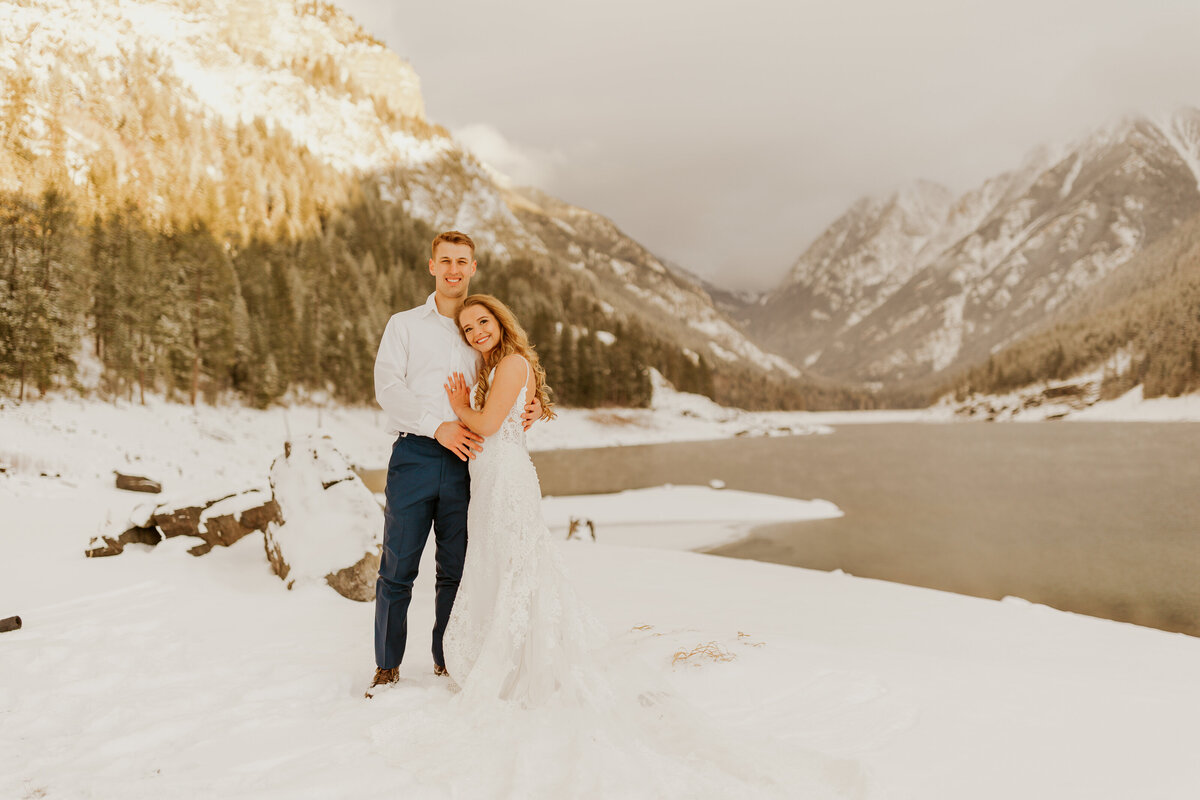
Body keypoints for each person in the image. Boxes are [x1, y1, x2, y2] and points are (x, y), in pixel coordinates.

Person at [368, 232, 539, 698]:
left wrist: (536, 403)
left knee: (457, 569)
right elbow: (389, 389)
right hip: (416, 455)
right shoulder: (404, 325)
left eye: (462, 261)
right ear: (431, 266)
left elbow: (514, 373)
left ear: (474, 267)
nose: (453, 270)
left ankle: (449, 660)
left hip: (473, 463)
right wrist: (436, 426)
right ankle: (387, 667)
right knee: (397, 566)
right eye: (446, 261)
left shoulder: (480, 329)